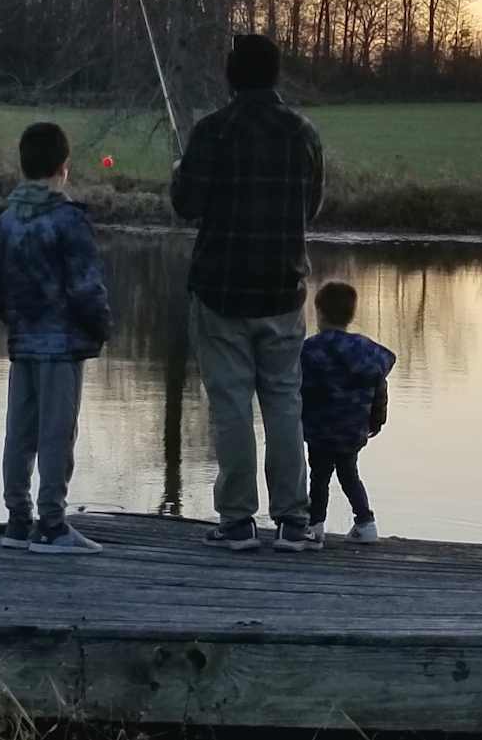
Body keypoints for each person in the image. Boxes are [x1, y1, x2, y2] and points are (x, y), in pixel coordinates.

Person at [170, 34, 325, 553]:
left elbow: (186, 205)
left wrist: (179, 175)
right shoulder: (303, 133)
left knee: (231, 405)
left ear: (232, 75)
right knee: (284, 403)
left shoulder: (212, 131)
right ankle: (293, 522)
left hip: (219, 290)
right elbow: (313, 208)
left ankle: (237, 522)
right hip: (282, 291)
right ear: (276, 75)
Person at [0, 122, 111, 556]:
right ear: (63, 168)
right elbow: (85, 288)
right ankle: (53, 524)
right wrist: (101, 328)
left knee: (19, 431)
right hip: (61, 346)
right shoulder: (69, 221)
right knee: (57, 433)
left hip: (23, 344)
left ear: (22, 166)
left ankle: (17, 520)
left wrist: (19, 322)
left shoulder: (4, 222)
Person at [301, 281, 396, 544]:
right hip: (353, 428)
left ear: (318, 312)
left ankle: (315, 525)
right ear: (351, 315)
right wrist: (377, 419)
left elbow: (297, 388)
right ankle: (365, 523)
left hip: (319, 428)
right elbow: (380, 386)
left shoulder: (310, 350)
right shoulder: (367, 352)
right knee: (349, 474)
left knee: (319, 476)